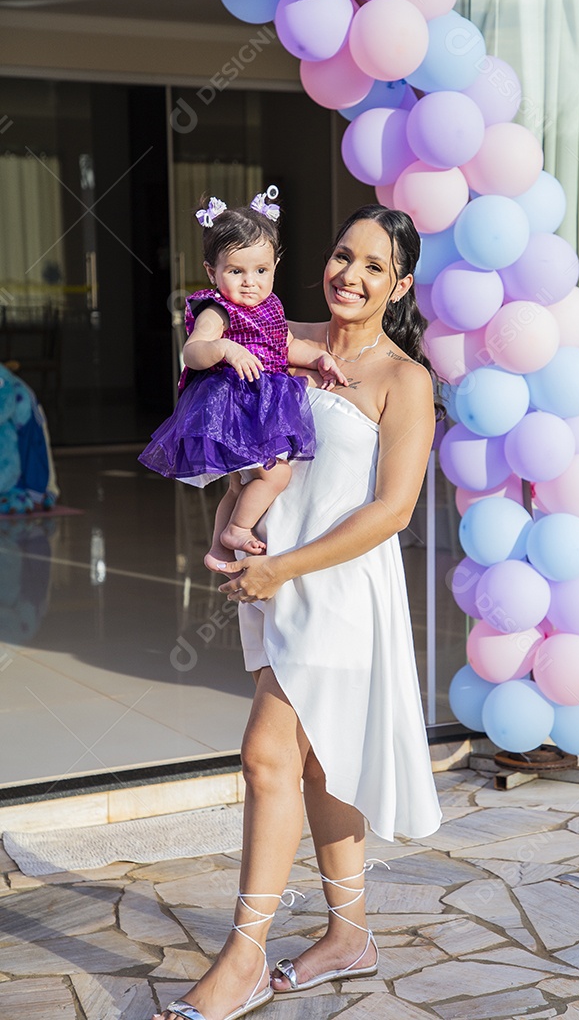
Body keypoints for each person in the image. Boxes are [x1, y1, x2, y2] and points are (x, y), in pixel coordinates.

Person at [155, 206, 443, 1020]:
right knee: (320, 764)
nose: (350, 275)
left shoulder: (404, 380)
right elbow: (227, 410)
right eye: (342, 256)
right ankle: (349, 935)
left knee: (266, 756)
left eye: (374, 267)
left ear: (402, 284)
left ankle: (244, 957)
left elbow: (391, 511)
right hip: (275, 581)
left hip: (339, 589)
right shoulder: (282, 331)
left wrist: (282, 566)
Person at [139, 190, 346, 566]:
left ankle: (219, 548)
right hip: (230, 406)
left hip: (260, 406)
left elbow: (285, 346)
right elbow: (192, 351)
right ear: (211, 272)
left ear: (275, 265)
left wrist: (318, 358)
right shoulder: (217, 310)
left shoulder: (271, 306)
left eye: (261, 271)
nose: (250, 282)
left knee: (238, 484)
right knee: (276, 475)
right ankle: (237, 530)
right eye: (236, 271)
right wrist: (224, 349)